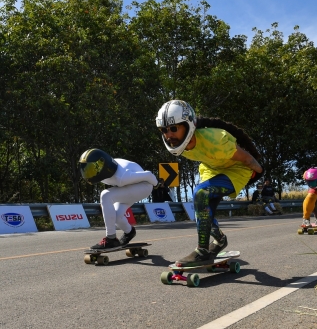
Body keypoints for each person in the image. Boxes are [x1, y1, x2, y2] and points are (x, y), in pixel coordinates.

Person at [156, 100, 263, 267]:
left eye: (174, 128)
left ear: (188, 125)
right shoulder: (179, 146)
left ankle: (202, 250)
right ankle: (220, 240)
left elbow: (248, 159)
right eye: (164, 130)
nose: (169, 135)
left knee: (200, 193)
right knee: (203, 210)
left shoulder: (216, 140)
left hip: (236, 170)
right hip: (212, 168)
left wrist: (259, 173)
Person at [78, 148, 158, 250]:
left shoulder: (123, 176)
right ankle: (129, 232)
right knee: (115, 216)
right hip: (127, 187)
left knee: (106, 195)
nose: (89, 174)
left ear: (103, 165)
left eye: (92, 169)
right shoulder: (108, 169)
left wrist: (157, 184)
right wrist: (107, 207)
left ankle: (111, 239)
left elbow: (148, 175)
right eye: (87, 170)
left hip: (144, 187)